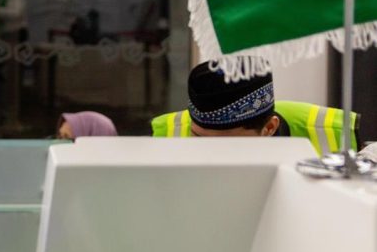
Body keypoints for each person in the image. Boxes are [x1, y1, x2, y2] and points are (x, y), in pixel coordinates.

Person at [151, 59, 359, 156]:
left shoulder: (334, 134)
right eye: (197, 137)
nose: (209, 154)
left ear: (269, 128)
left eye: (225, 146)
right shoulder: (166, 135)